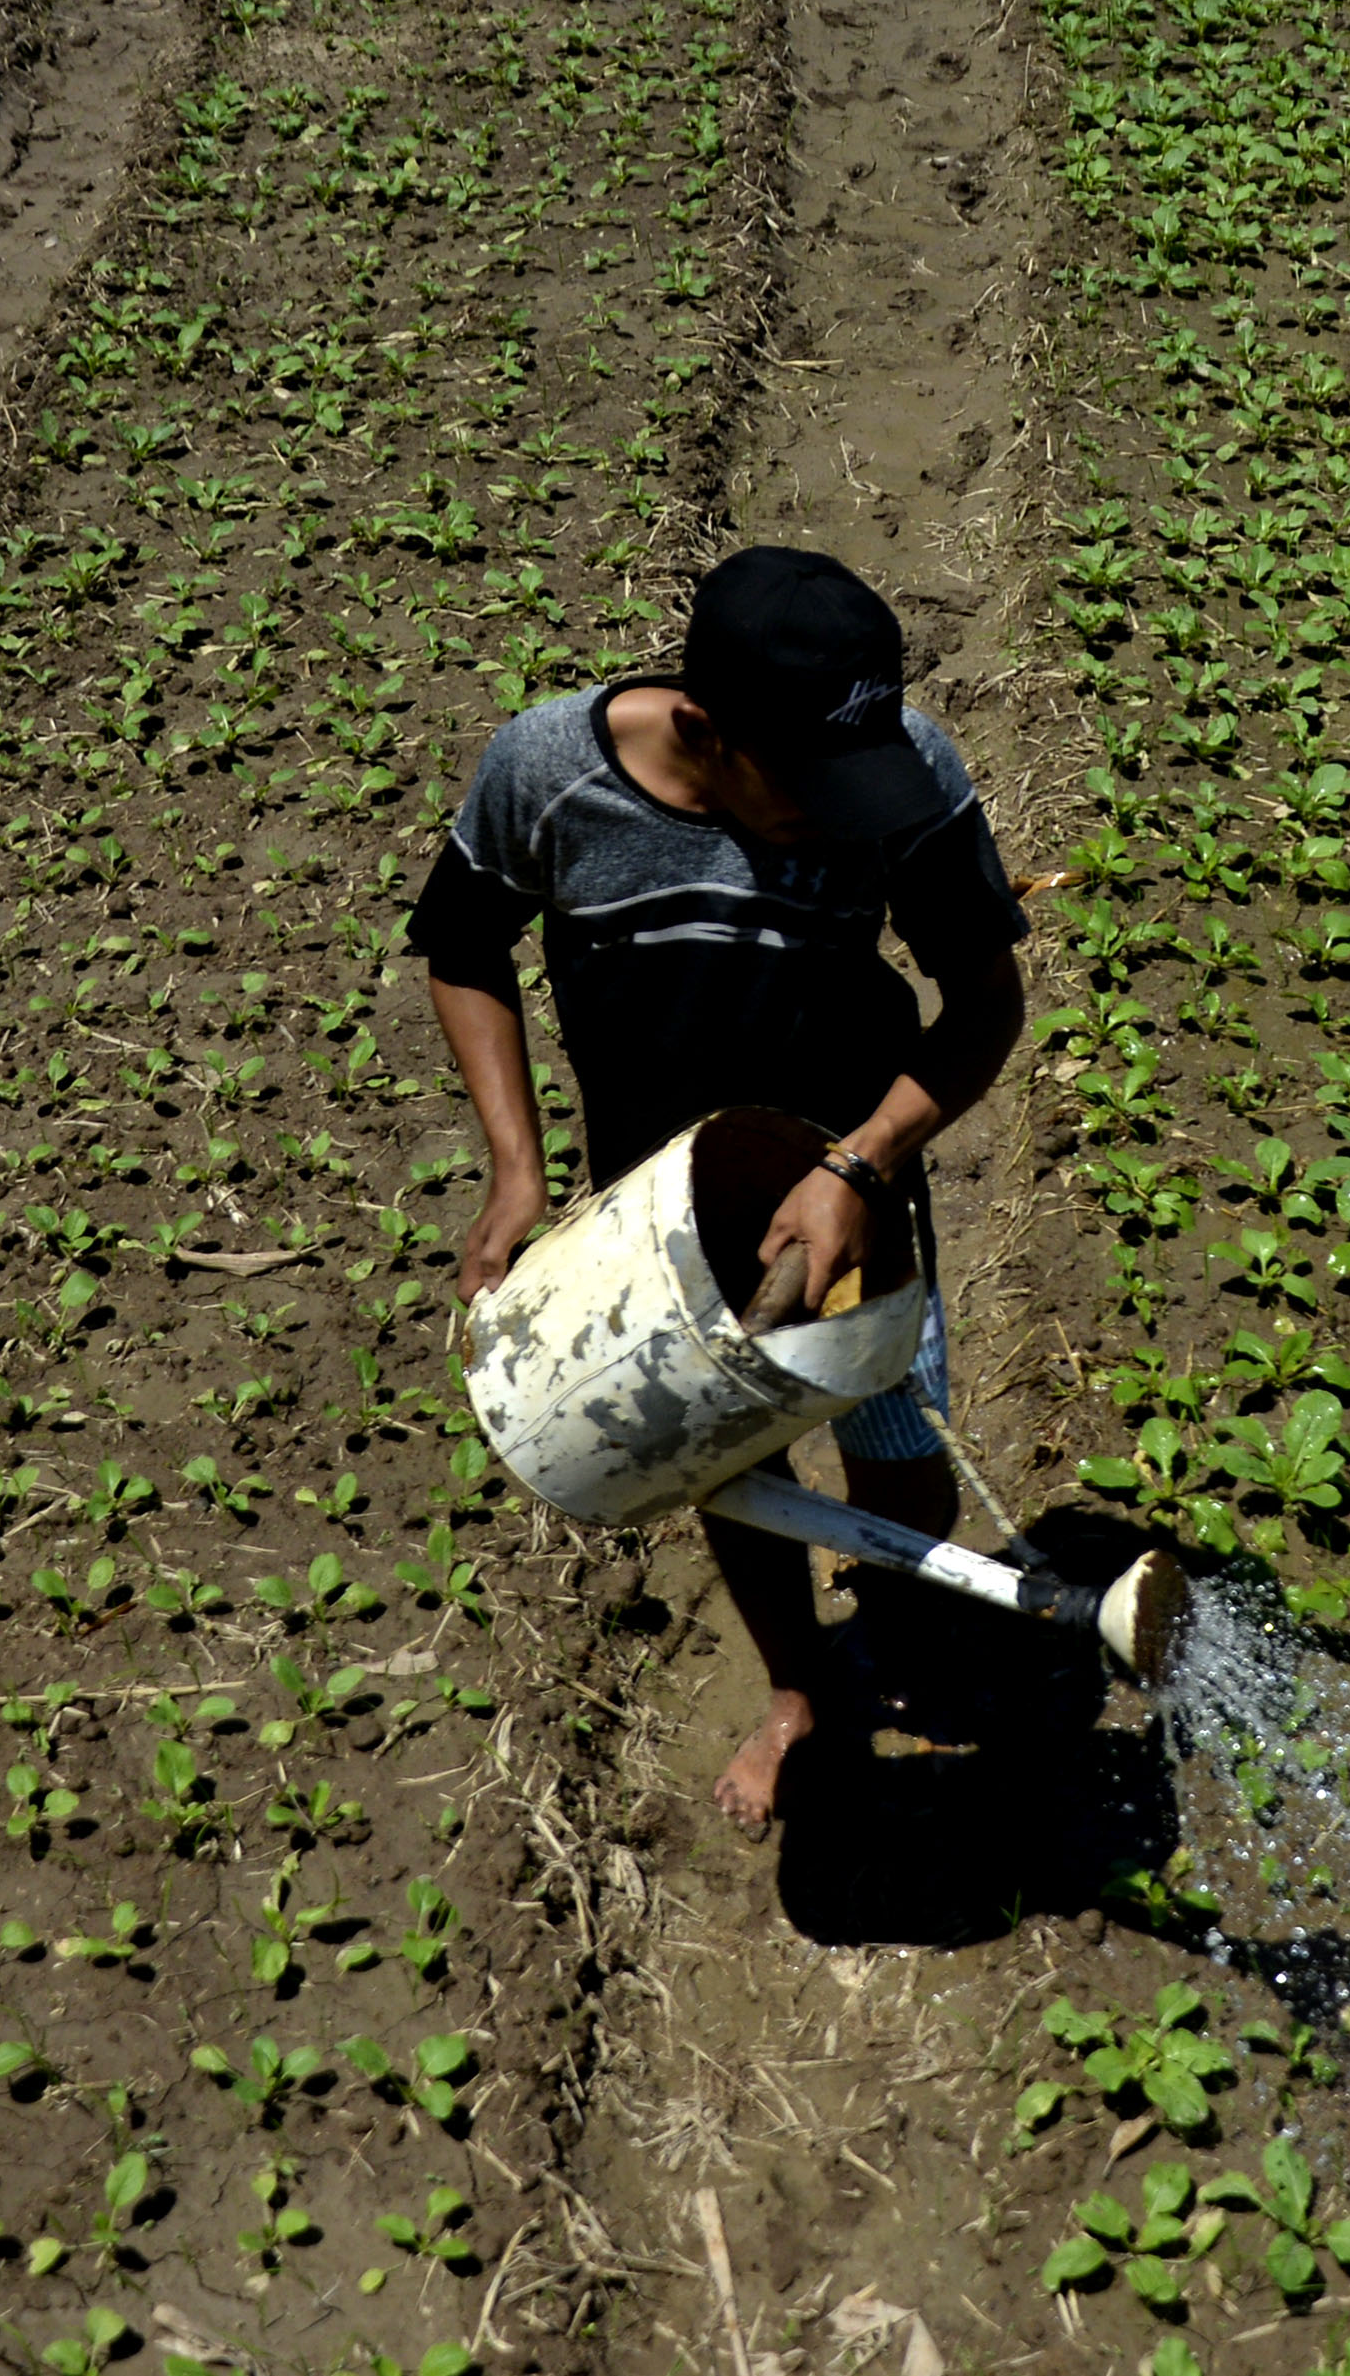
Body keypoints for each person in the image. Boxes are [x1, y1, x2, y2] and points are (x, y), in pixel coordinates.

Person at [411, 546, 1031, 1836]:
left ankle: (890, 1633)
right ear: (703, 726)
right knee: (722, 1460)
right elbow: (465, 945)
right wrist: (517, 1169)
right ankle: (798, 1688)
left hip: (856, 1173)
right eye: (804, 782)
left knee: (903, 1448)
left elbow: (985, 1000)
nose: (836, 810)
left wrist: (860, 1163)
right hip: (658, 1210)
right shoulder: (549, 771)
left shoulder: (900, 772)